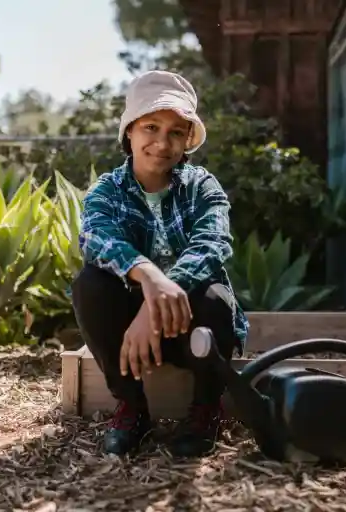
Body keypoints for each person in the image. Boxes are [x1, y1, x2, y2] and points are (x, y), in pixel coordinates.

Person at [71, 70, 249, 458]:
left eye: (176, 131)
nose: (162, 142)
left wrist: (159, 300)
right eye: (151, 126)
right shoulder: (107, 190)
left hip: (192, 330)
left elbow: (213, 244)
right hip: (131, 340)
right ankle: (132, 406)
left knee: (216, 295)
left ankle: (205, 408)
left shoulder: (202, 186)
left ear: (187, 140)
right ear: (130, 132)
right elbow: (96, 239)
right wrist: (149, 276)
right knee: (91, 284)